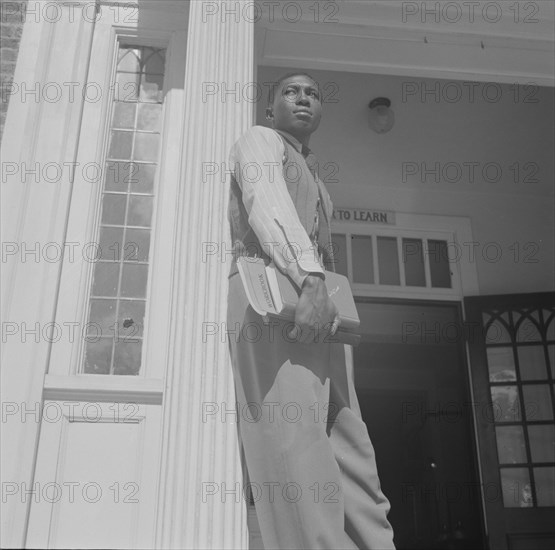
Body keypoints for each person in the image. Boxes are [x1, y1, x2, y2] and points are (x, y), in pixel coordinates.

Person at [227, 72, 395, 549]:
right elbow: (268, 203)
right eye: (291, 91)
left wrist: (320, 291)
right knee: (294, 442)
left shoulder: (318, 180)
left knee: (348, 438)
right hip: (275, 300)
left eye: (314, 94)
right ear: (269, 108)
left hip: (320, 307)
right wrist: (310, 279)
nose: (304, 98)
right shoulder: (258, 141)